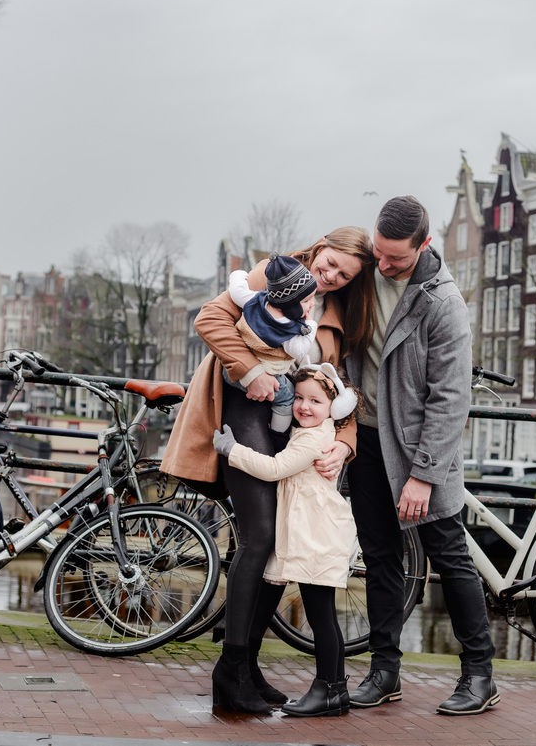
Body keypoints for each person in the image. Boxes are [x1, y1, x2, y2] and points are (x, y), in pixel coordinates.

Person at [160, 226, 377, 715]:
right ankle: (230, 670)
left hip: (293, 429)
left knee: (274, 542)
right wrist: (251, 370)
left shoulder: (339, 315)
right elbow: (210, 318)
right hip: (246, 410)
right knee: (259, 537)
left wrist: (344, 444)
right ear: (320, 246)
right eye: (330, 262)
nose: (331, 275)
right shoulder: (274, 274)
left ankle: (247, 668)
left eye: (343, 274)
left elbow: (341, 387)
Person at [343, 196, 499, 716]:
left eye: (397, 259)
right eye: (379, 253)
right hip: (367, 442)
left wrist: (424, 475)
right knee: (380, 558)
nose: (384, 266)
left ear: (424, 245)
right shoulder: (366, 271)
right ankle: (384, 672)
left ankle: (480, 676)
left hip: (421, 453)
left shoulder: (443, 302)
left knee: (451, 560)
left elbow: (451, 398)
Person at [212, 364, 360, 717]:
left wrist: (232, 450)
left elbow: (275, 468)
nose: (304, 406)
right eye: (299, 398)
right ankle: (333, 690)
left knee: (322, 615)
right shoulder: (311, 431)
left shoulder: (312, 438)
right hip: (308, 533)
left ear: (335, 407)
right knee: (321, 614)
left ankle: (329, 688)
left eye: (316, 401)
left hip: (315, 537)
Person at [224, 254, 318, 435]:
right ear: (289, 304)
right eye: (306, 301)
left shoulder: (256, 300)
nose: (312, 304)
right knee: (287, 398)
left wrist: (239, 274)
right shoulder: (286, 329)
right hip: (262, 374)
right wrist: (311, 325)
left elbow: (236, 291)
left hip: (231, 369)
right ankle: (277, 434)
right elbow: (299, 351)